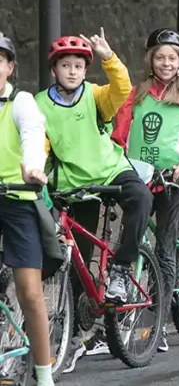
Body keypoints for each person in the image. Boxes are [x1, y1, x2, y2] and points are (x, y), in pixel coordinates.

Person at [35, 30, 154, 303]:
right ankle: (79, 323)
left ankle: (121, 268)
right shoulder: (40, 104)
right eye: (65, 65)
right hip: (75, 183)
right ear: (53, 70)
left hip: (112, 170)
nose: (72, 72)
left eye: (78, 66)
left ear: (86, 70)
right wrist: (37, 169)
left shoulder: (96, 95)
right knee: (79, 262)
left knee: (142, 198)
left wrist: (108, 57)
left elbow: (122, 89)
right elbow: (40, 144)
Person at [111, 28, 179, 352]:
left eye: (172, 58)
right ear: (150, 60)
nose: (166, 63)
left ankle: (160, 325)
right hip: (139, 180)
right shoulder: (136, 95)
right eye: (160, 57)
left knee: (165, 250)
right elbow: (118, 138)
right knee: (128, 242)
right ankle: (117, 317)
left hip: (171, 182)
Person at [0, 32, 59, 386]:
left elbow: (33, 134)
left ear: (10, 67)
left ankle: (44, 373)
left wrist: (34, 168)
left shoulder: (21, 102)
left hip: (18, 198)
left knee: (30, 293)